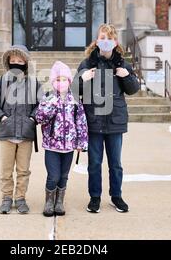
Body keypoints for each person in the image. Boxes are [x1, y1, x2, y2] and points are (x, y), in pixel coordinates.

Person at [73, 24, 140, 213]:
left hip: (115, 122)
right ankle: (95, 197)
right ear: (96, 41)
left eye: (109, 38)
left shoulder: (122, 64)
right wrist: (81, 79)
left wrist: (126, 76)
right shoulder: (87, 64)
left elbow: (133, 89)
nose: (105, 41)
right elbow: (72, 91)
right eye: (102, 37)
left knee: (115, 164)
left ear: (115, 42)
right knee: (94, 163)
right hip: (93, 122)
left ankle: (116, 196)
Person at [0, 45, 42, 214]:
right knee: (6, 169)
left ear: (25, 62)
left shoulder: (33, 84)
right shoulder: (1, 82)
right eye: (13, 61)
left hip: (26, 134)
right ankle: (7, 198)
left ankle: (20, 198)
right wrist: (2, 118)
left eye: (20, 61)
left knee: (23, 170)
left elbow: (42, 104)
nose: (16, 63)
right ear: (8, 63)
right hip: (7, 133)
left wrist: (32, 119)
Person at [36, 61, 88, 217]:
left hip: (69, 146)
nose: (61, 83)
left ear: (69, 81)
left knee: (64, 175)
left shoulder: (75, 101)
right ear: (53, 82)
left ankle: (59, 201)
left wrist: (81, 142)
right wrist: (51, 105)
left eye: (64, 79)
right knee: (53, 176)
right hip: (52, 145)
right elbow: (39, 118)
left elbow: (81, 122)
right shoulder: (48, 98)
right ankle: (49, 201)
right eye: (58, 80)